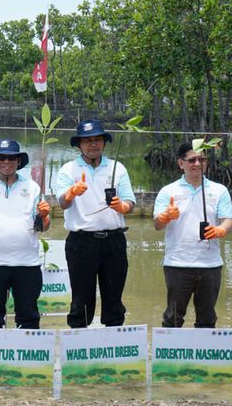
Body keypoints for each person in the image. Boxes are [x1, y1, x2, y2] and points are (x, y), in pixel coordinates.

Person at [56, 120, 136, 328]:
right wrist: (71, 192)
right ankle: (79, 350)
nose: (93, 144)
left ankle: (112, 348)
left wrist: (123, 207)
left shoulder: (117, 168)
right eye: (88, 140)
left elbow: (130, 201)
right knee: (81, 301)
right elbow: (62, 203)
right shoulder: (68, 169)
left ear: (104, 143)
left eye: (98, 140)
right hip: (81, 242)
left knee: (114, 300)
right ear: (79, 144)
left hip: (114, 241)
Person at [0, 140, 50, 329]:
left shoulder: (32, 187)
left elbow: (43, 227)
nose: (6, 162)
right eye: (1, 158)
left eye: (11, 158)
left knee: (29, 316)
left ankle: (28, 355)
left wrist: (45, 216)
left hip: (27, 262)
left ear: (18, 161)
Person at [153, 142, 232, 328]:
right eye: (192, 160)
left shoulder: (219, 190)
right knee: (172, 318)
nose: (197, 163)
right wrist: (165, 216)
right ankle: (168, 354)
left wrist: (221, 229)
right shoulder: (168, 191)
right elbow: (157, 224)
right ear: (181, 164)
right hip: (177, 263)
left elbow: (228, 219)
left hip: (210, 265)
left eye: (202, 159)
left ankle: (204, 355)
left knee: (207, 319)